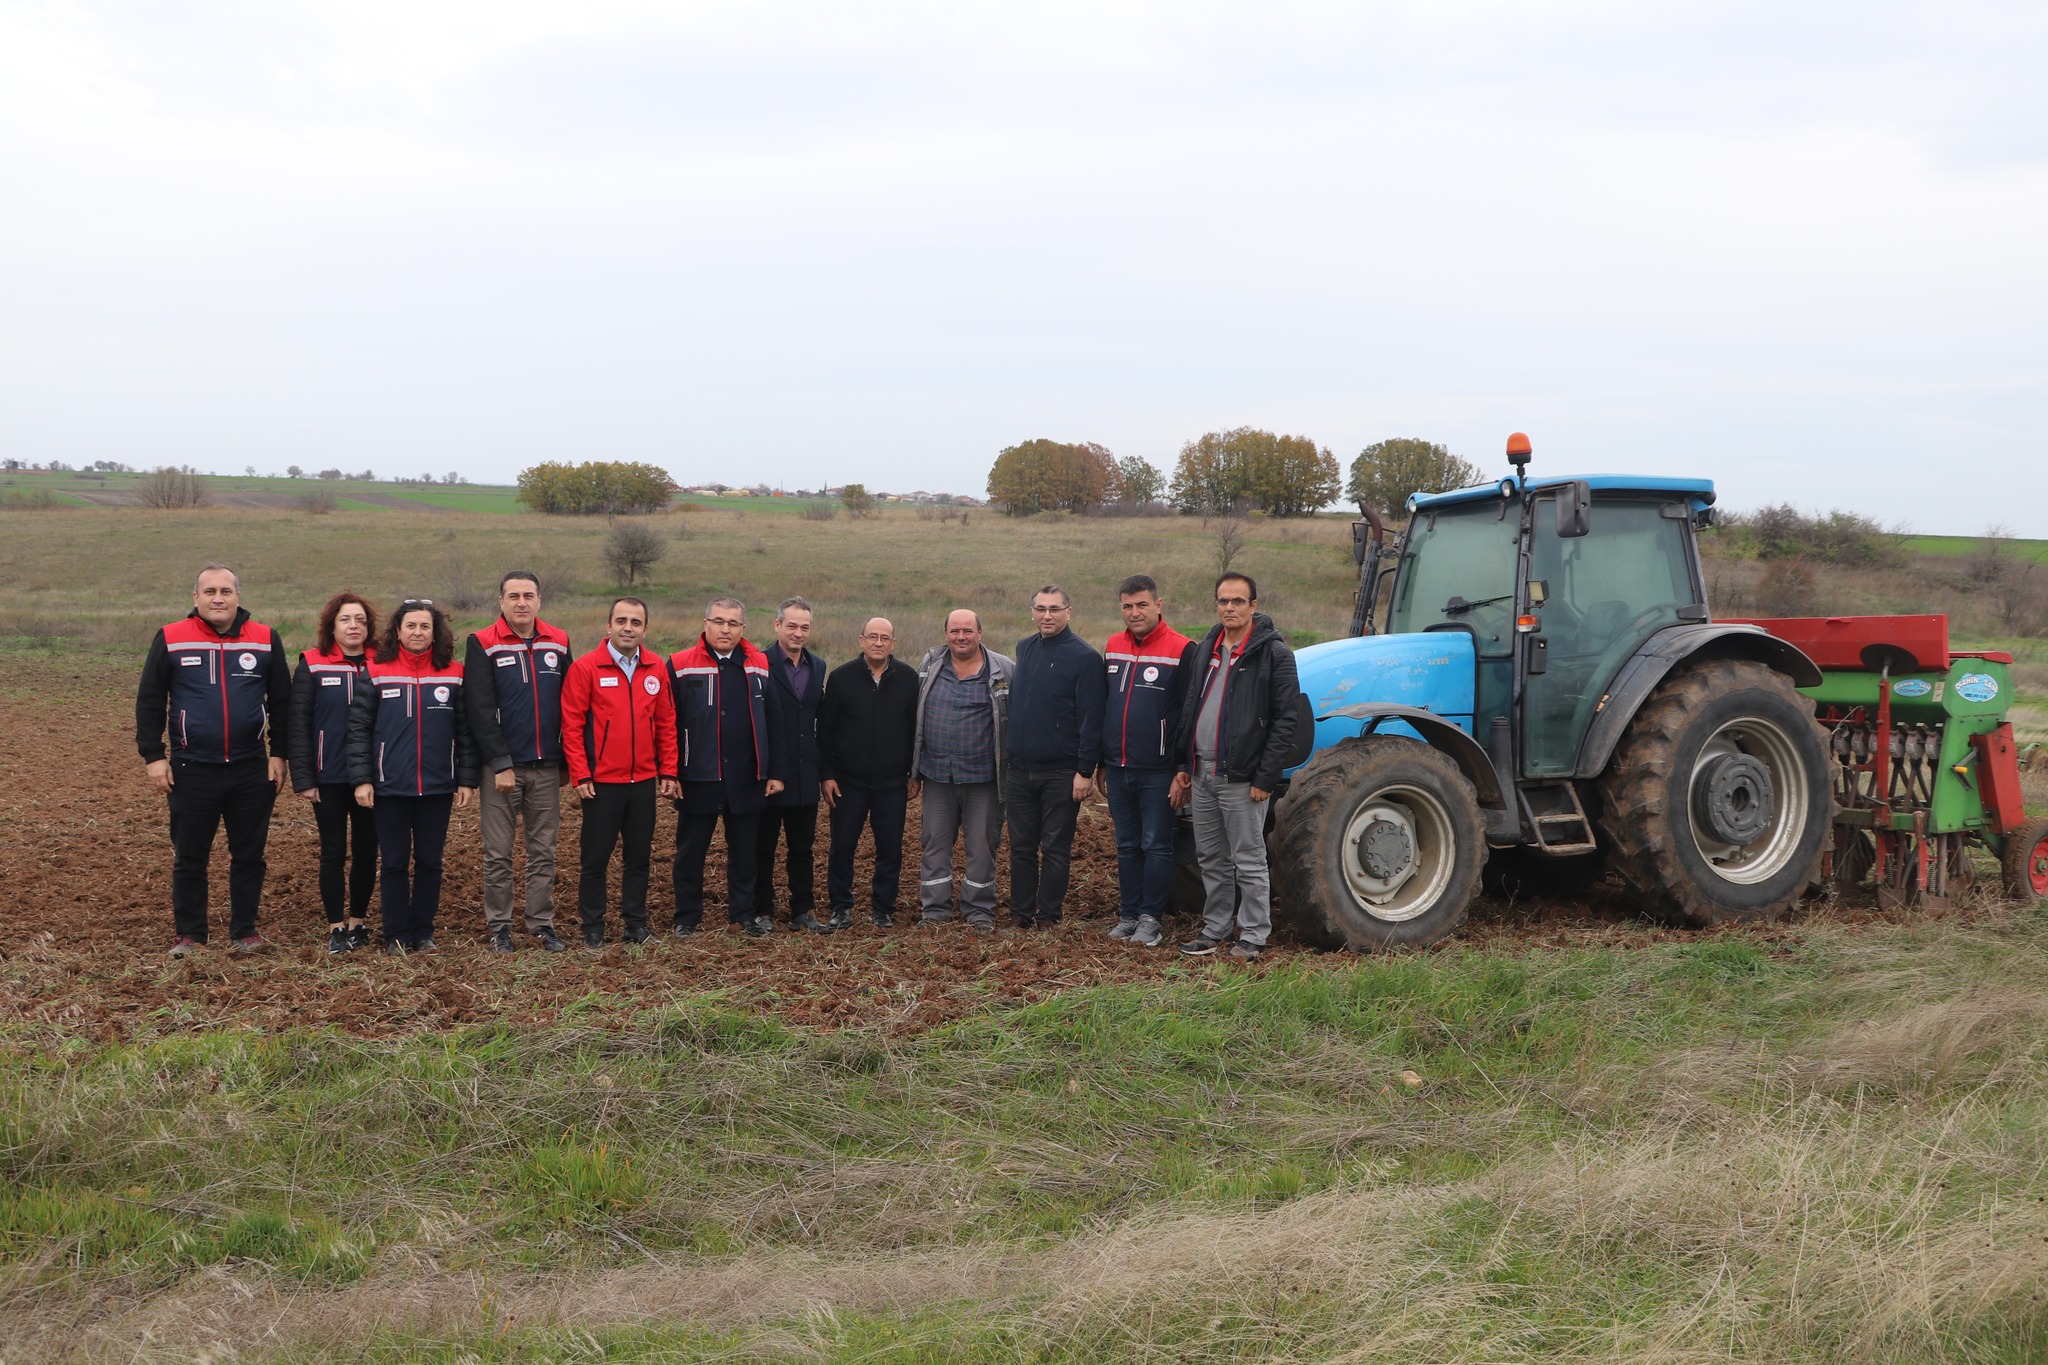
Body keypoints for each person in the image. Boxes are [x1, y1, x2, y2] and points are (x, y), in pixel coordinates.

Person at [136, 564, 291, 956]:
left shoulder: (265, 639)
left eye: (225, 591)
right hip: (191, 768)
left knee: (249, 855)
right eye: (209, 592)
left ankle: (245, 931)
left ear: (238, 596)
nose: (218, 598)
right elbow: (150, 699)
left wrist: (279, 753)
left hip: (251, 767)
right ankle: (190, 934)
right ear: (196, 597)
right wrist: (154, 755)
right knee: (190, 857)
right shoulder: (171, 637)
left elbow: (282, 702)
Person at [1170, 572, 1300, 962]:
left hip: (1242, 778)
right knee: (1211, 857)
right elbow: (1191, 707)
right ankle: (1216, 928)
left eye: (1238, 601)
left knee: (1248, 858)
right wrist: (1185, 762)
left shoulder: (1274, 654)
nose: (1229, 607)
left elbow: (1285, 720)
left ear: (1253, 606)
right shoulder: (1206, 649)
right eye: (1223, 601)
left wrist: (1265, 776)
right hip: (1202, 772)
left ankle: (1254, 934)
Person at [346, 600, 478, 954]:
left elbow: (465, 732)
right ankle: (396, 935)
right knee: (393, 863)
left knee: (430, 862)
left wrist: (466, 780)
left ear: (435, 633)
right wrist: (362, 779)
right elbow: (358, 730)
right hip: (390, 787)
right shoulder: (376, 671)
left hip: (437, 786)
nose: (418, 632)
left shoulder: (454, 673)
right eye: (411, 626)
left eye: (425, 626)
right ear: (398, 631)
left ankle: (422, 932)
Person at [560, 596, 680, 948]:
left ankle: (635, 925)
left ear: (645, 629)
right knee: (595, 859)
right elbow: (571, 725)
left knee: (638, 858)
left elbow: (666, 723)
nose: (628, 628)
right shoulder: (586, 668)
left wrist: (668, 770)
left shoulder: (656, 668)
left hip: (642, 781)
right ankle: (593, 928)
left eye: (636, 622)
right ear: (609, 625)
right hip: (601, 783)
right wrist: (581, 774)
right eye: (622, 621)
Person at [464, 570, 572, 953]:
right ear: (501, 601)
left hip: (547, 767)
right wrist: (500, 762)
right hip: (502, 771)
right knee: (498, 853)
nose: (521, 602)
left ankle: (541, 924)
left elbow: (571, 703)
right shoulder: (482, 643)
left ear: (539, 600)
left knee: (543, 852)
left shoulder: (559, 640)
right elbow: (479, 709)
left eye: (528, 595)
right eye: (514, 596)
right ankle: (500, 927)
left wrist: (567, 762)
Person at [668, 596, 786, 938]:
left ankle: (743, 916)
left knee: (745, 853)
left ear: (742, 628)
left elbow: (774, 720)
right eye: (719, 621)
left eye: (733, 623)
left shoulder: (759, 664)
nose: (725, 629)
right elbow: (667, 722)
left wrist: (775, 772)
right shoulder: (680, 664)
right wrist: (671, 772)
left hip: (746, 777)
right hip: (697, 776)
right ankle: (686, 918)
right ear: (705, 624)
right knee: (690, 853)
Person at [1099, 575, 1200, 947]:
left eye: (1142, 604)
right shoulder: (1113, 646)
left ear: (1159, 605)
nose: (1134, 612)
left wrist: (1183, 769)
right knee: (1126, 845)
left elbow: (1190, 714)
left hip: (1160, 771)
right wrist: (1103, 762)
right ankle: (1128, 915)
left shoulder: (1183, 649)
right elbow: (1106, 705)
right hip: (1118, 767)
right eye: (1127, 606)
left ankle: (1150, 920)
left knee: (1156, 845)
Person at [1004, 585, 1106, 928]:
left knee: (1055, 847)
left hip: (1061, 771)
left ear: (1068, 612)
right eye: (1041, 609)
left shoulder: (1085, 657)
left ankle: (1048, 915)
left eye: (1054, 609)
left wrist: (1085, 770)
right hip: (1020, 769)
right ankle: (1020, 914)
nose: (1047, 615)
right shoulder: (1025, 647)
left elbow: (1091, 718)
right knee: (1021, 847)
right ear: (1032, 612)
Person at [288, 591, 380, 954]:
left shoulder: (382, 662)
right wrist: (304, 778)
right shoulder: (312, 663)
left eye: (360, 620)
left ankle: (358, 923)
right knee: (333, 852)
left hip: (371, 776)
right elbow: (298, 724)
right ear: (332, 626)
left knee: (366, 851)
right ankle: (335, 928)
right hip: (328, 776)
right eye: (345, 619)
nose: (353, 626)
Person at [911, 609, 1013, 929]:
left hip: (984, 778)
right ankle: (934, 911)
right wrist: (913, 772)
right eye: (954, 631)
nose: (961, 636)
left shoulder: (1004, 670)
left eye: (968, 631)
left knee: (982, 845)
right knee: (934, 843)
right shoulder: (930, 665)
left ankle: (979, 910)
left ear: (980, 633)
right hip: (938, 775)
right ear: (946, 634)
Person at [818, 617, 919, 928]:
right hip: (848, 782)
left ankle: (883, 908)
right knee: (842, 847)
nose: (878, 642)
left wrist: (914, 773)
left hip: (892, 783)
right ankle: (841, 907)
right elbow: (826, 729)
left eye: (885, 638)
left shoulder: (908, 678)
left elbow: (916, 731)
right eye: (872, 636)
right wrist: (827, 774)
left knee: (890, 849)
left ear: (893, 643)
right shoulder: (841, 677)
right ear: (861, 640)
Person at [757, 596, 830, 933]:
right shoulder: (759, 664)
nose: (798, 633)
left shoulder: (819, 666)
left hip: (805, 775)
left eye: (805, 627)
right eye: (792, 626)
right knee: (763, 847)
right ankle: (761, 910)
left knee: (802, 848)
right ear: (777, 625)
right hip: (770, 775)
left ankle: (802, 910)